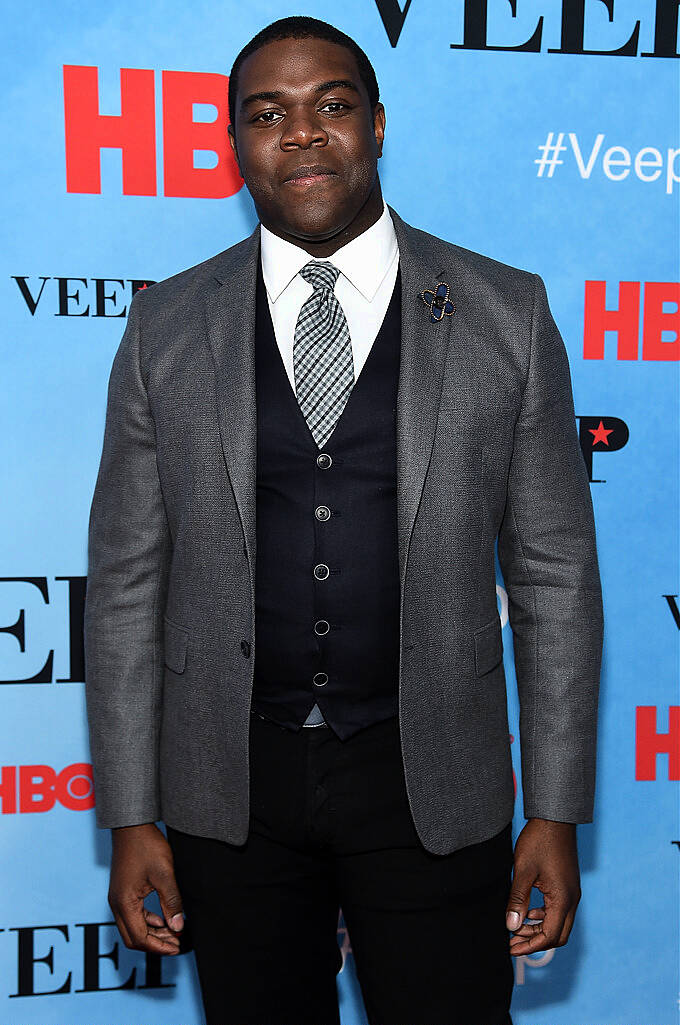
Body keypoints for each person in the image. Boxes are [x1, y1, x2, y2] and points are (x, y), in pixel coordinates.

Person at [83, 15, 604, 1025]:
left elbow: (551, 577)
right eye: (266, 113)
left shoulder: (505, 311)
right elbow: (126, 585)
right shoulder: (164, 326)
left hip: (432, 782)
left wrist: (553, 809)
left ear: (375, 123)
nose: (302, 133)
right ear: (235, 144)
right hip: (228, 791)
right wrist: (130, 814)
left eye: (330, 104)